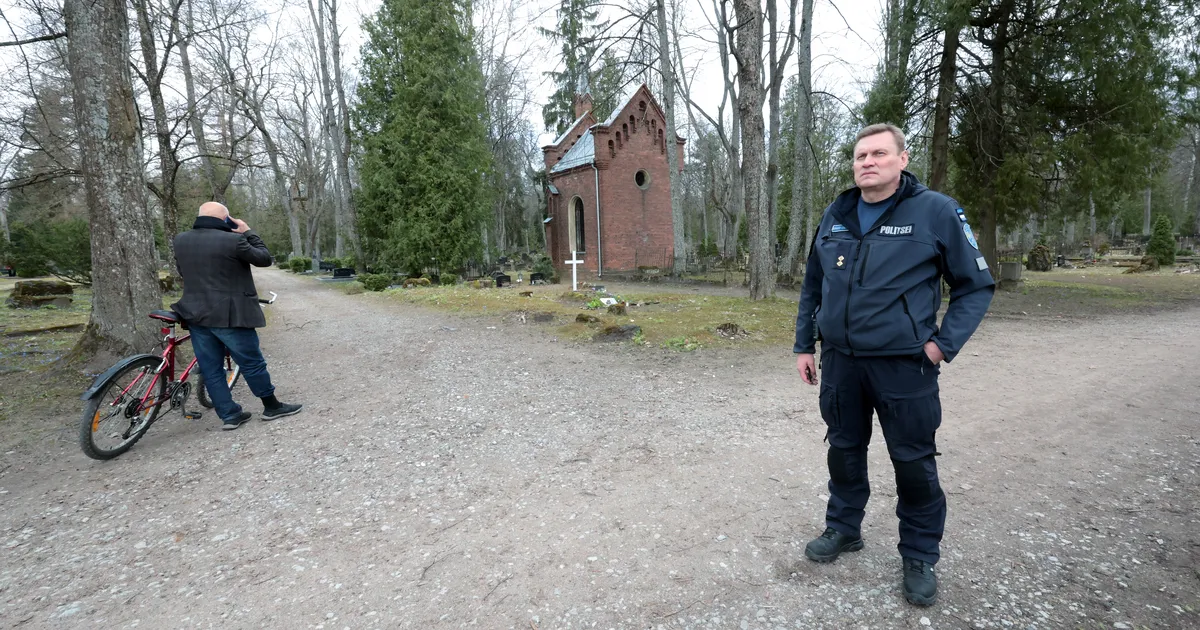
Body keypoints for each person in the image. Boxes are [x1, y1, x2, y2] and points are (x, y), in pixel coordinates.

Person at [793, 124, 994, 606]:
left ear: (902, 159)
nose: (868, 162)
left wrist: (941, 346)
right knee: (843, 450)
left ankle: (920, 553)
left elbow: (976, 286)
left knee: (913, 461)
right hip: (841, 363)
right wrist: (805, 345)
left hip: (905, 366)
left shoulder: (936, 212)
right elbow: (812, 285)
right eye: (861, 155)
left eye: (879, 153)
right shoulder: (837, 213)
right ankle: (844, 528)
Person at [172, 202, 303, 430]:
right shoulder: (234, 240)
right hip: (231, 315)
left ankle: (230, 416)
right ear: (226, 219)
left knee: (211, 368)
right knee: (251, 362)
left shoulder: (180, 240)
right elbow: (264, 258)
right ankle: (271, 406)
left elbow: (184, 271)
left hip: (196, 315)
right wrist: (247, 231)